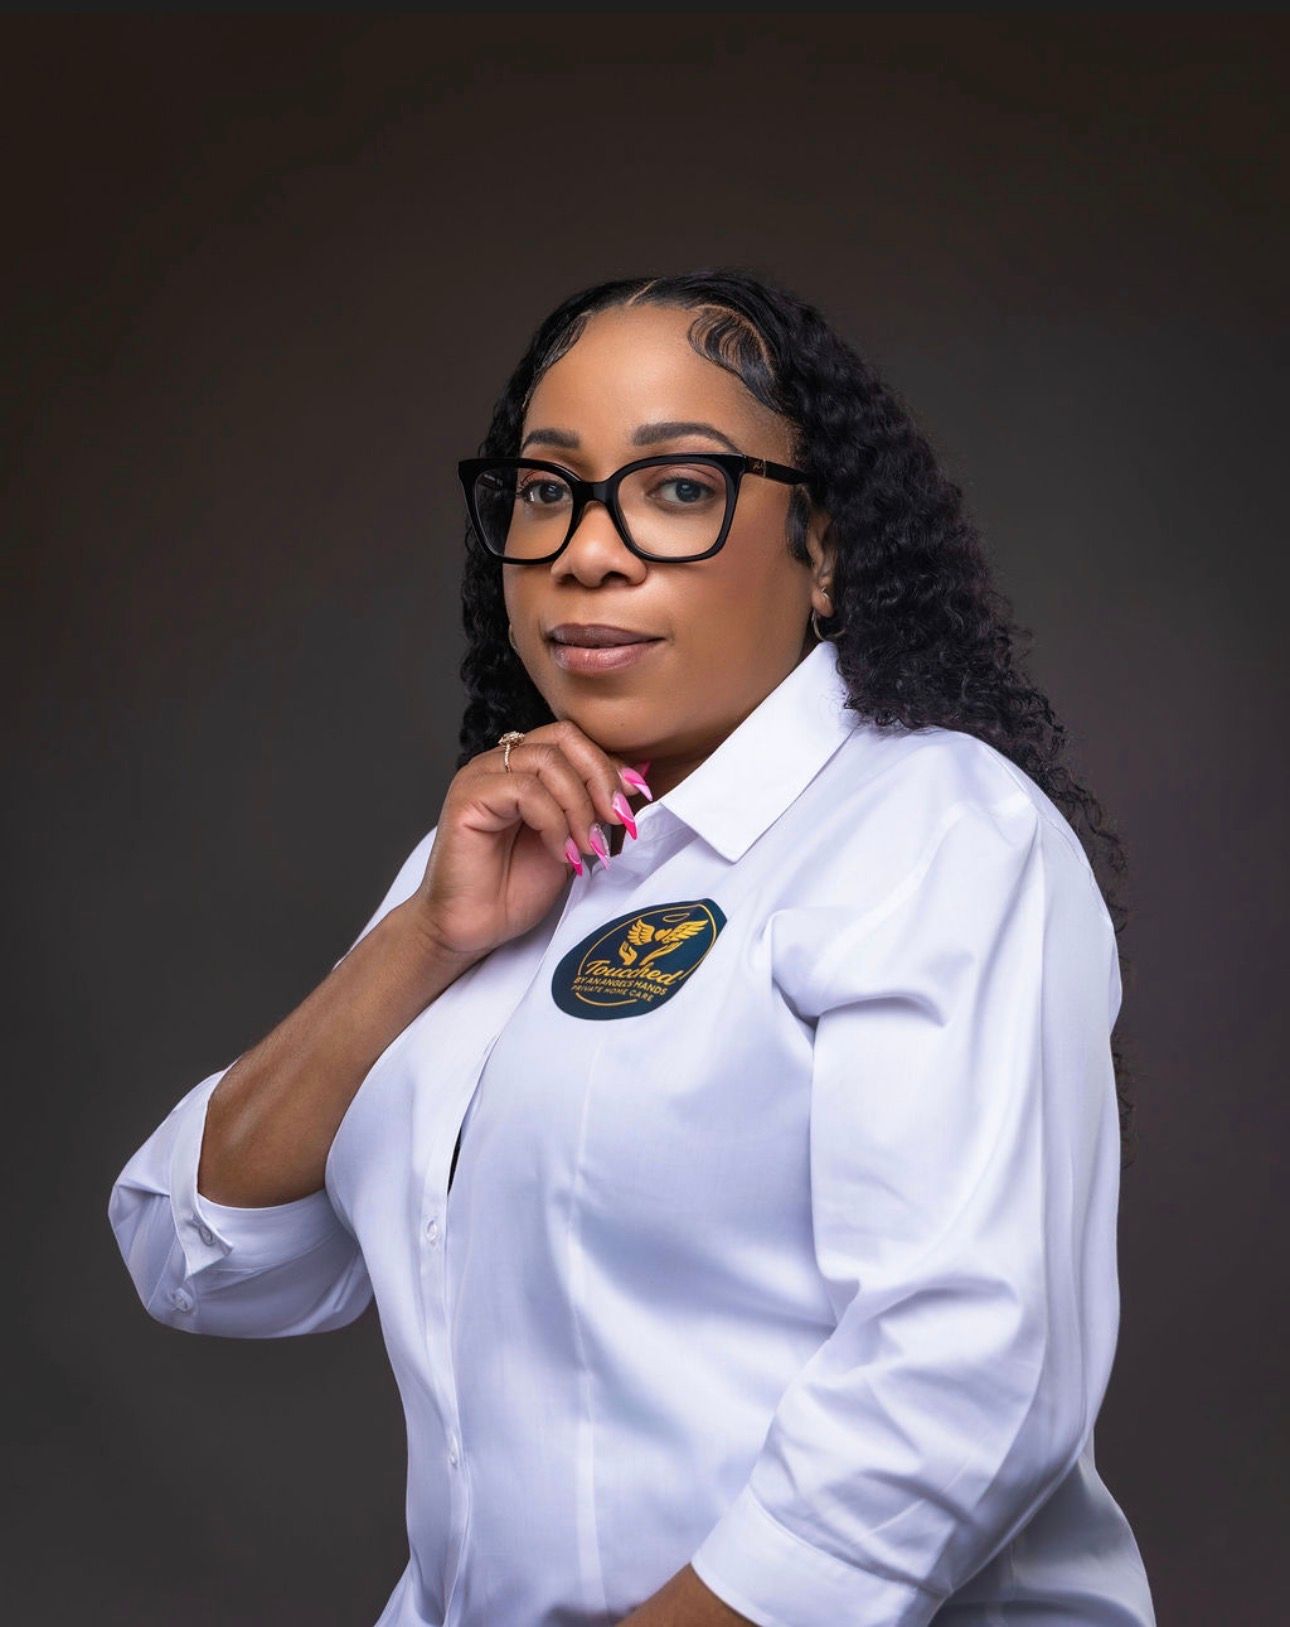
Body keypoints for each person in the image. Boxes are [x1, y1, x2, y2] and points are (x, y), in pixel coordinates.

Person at [108, 269, 1157, 1626]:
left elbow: (963, 1373)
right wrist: (426, 939)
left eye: (674, 487)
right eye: (545, 489)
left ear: (822, 546)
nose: (584, 550)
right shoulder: (486, 859)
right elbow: (199, 1260)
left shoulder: (931, 831)